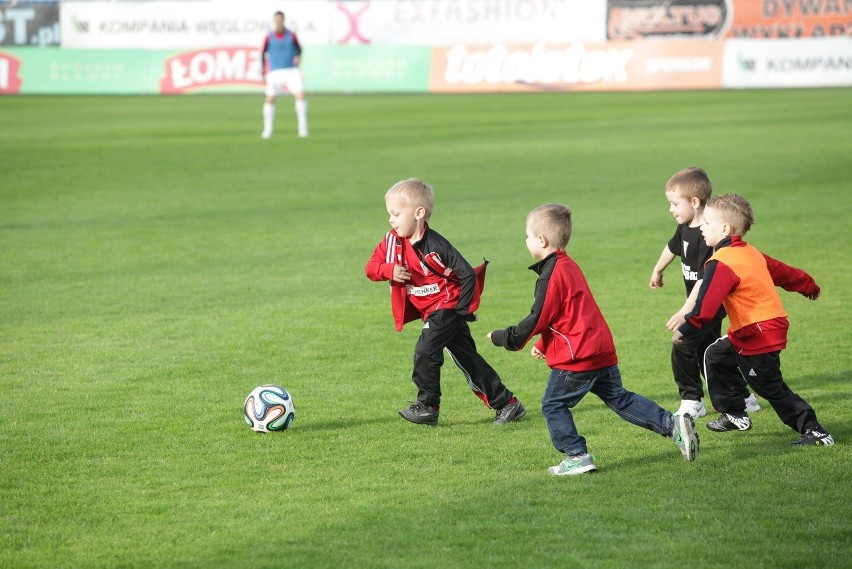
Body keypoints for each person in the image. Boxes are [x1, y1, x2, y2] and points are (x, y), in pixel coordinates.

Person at [488, 203, 699, 475]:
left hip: (579, 357)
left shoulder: (552, 274)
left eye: (527, 235)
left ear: (541, 240)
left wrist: (505, 338)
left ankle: (577, 455)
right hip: (599, 349)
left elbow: (538, 317)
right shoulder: (568, 265)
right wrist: (543, 344)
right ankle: (673, 425)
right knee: (619, 398)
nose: (526, 240)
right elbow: (570, 313)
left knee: (553, 404)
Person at [673, 193, 833, 446]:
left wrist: (687, 328)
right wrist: (809, 286)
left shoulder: (721, 262)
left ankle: (815, 431)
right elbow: (785, 273)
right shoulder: (751, 253)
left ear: (725, 228)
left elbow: (705, 307)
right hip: (758, 328)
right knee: (715, 355)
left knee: (769, 386)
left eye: (707, 223)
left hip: (758, 331)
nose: (701, 228)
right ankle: (735, 413)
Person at [365, 178, 526, 426]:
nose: (391, 220)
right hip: (431, 311)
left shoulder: (437, 245)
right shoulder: (392, 242)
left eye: (396, 214)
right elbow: (371, 268)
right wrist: (389, 270)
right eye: (390, 214)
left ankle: (428, 406)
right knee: (467, 358)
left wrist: (462, 310)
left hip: (447, 306)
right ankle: (507, 404)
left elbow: (467, 273)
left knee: (425, 350)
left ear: (419, 213)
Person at [649, 167, 760, 418]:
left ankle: (692, 399)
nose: (671, 209)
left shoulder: (707, 236)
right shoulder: (686, 226)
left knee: (682, 341)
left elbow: (703, 281)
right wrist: (658, 269)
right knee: (708, 351)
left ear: (695, 202)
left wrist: (684, 312)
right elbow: (672, 247)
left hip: (709, 305)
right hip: (698, 304)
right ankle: (744, 396)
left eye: (675, 204)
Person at [260, 11, 308, 139]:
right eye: (276, 19)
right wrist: (263, 71)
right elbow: (263, 53)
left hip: (291, 70)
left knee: (300, 96)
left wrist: (297, 56)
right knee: (270, 98)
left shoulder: (291, 35)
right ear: (274, 21)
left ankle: (302, 129)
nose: (279, 22)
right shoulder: (269, 36)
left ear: (283, 20)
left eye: (280, 19)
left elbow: (299, 48)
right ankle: (267, 129)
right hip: (275, 71)